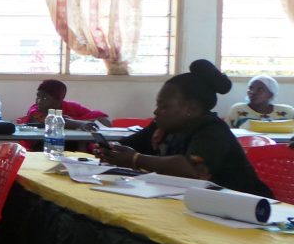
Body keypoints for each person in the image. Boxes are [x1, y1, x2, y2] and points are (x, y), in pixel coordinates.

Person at [98, 60, 273, 196]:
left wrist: (135, 159)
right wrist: (111, 152)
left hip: (252, 210)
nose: (156, 111)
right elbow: (129, 146)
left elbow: (190, 169)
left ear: (191, 109)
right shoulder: (163, 127)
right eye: (158, 105)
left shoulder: (212, 131)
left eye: (164, 106)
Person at [18, 79, 111, 130]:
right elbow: (48, 121)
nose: (39, 101)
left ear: (59, 100)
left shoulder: (72, 107)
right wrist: (79, 124)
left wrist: (74, 121)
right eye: (38, 96)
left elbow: (104, 121)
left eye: (45, 98)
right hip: (42, 147)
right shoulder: (35, 110)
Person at [225, 74, 293, 128]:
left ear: (271, 94)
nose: (253, 92)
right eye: (251, 88)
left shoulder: (287, 111)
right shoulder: (238, 110)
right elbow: (226, 133)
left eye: (260, 90)